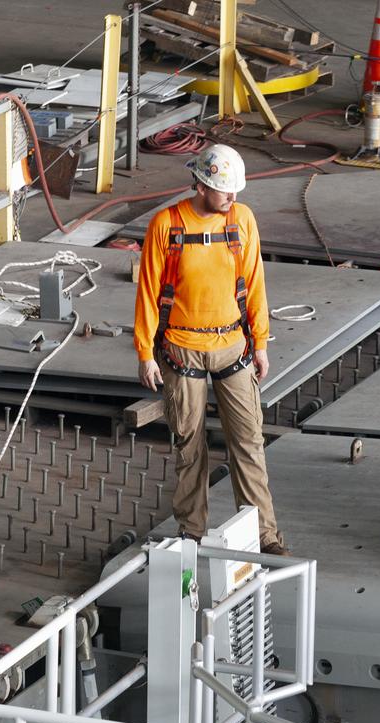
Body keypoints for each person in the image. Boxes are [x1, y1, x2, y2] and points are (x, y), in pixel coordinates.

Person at [133, 143, 286, 555]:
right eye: (224, 190)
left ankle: (265, 536)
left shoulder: (242, 219)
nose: (232, 197)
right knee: (189, 447)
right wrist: (145, 351)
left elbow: (255, 283)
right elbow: (148, 290)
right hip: (182, 352)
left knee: (249, 443)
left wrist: (261, 342)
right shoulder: (167, 225)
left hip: (233, 346)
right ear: (200, 185)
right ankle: (191, 534)